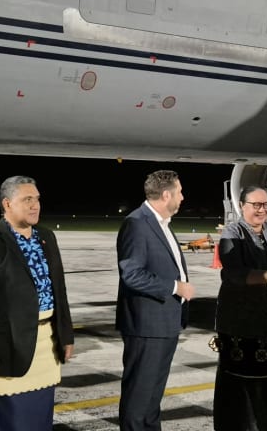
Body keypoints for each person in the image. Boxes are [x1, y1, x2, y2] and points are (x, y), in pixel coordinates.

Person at [0, 176, 73, 430]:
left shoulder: (46, 237)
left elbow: (59, 289)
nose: (35, 205)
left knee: (37, 418)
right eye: (27, 200)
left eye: (36, 199)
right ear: (7, 204)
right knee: (5, 420)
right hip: (6, 350)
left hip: (46, 346)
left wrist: (66, 336)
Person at [116, 169, 196, 431]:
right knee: (139, 401)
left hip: (164, 326)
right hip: (146, 327)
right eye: (180, 192)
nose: (182, 197)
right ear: (166, 195)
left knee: (152, 401)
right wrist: (175, 287)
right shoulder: (136, 224)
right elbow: (132, 274)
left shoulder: (161, 224)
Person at [213, 185, 267, 431]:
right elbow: (233, 273)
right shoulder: (232, 233)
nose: (262, 210)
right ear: (242, 206)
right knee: (240, 391)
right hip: (241, 327)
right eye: (256, 205)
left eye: (265, 204)